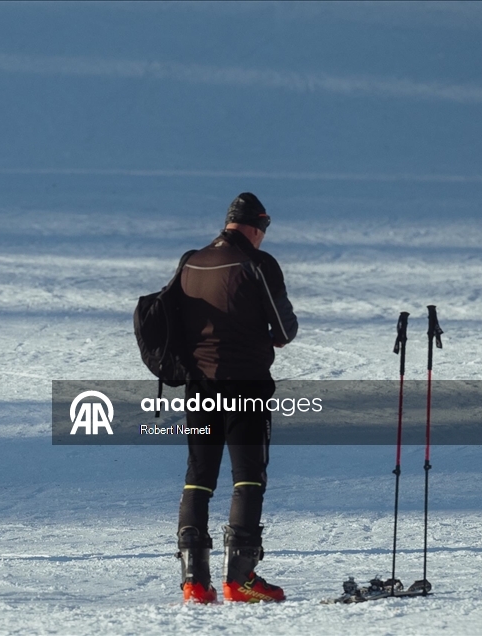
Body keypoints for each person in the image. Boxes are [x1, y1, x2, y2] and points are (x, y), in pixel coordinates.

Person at [175, 193, 298, 603]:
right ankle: (240, 579)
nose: (263, 237)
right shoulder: (258, 264)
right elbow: (284, 330)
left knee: (199, 477)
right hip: (245, 385)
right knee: (248, 477)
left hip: (199, 385)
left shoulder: (191, 260)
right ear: (254, 227)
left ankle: (194, 582)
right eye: (263, 229)